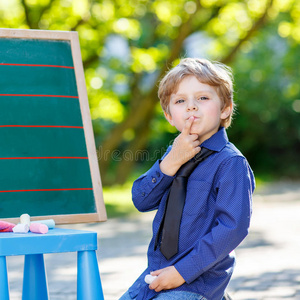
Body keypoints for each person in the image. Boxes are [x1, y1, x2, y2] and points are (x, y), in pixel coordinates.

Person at [119, 58, 255, 300]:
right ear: (169, 116)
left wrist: (182, 272)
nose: (191, 107)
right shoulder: (173, 154)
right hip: (157, 272)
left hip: (199, 279)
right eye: (181, 101)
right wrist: (170, 163)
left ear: (225, 109)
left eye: (203, 98)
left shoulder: (230, 163)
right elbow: (141, 200)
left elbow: (232, 228)